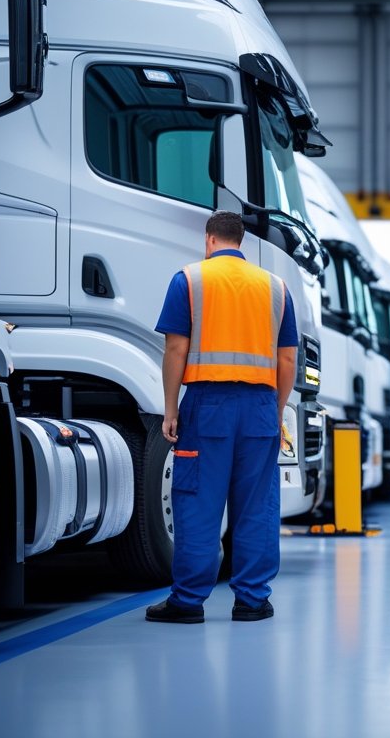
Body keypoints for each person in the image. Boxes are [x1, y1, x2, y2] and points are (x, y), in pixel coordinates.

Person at [145, 211, 299, 624]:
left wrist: (171, 408)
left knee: (198, 502)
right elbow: (288, 359)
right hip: (261, 408)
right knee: (257, 505)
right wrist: (276, 409)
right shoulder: (276, 288)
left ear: (209, 239)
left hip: (207, 406)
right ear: (241, 240)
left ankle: (188, 601)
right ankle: (252, 600)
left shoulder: (189, 280)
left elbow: (176, 349)